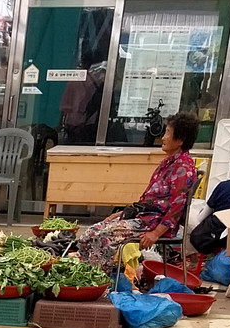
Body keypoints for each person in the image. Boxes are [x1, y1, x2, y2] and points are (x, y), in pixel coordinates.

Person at [76, 112, 200, 267]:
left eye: (168, 133)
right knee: (90, 233)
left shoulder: (184, 168)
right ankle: (85, 274)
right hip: (142, 217)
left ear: (180, 140)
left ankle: (99, 281)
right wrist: (123, 213)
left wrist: (155, 234)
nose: (163, 137)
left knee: (105, 237)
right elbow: (148, 200)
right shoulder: (168, 163)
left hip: (152, 223)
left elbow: (176, 209)